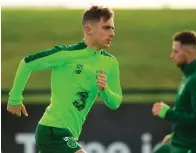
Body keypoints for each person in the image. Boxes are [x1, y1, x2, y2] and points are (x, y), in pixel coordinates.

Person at [7, 5, 122, 153]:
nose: (112, 33)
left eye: (112, 28)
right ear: (88, 29)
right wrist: (15, 99)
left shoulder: (111, 63)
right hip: (52, 130)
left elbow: (115, 103)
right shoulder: (65, 54)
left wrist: (104, 90)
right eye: (106, 28)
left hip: (70, 134)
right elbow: (27, 62)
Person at [152, 30, 196, 153]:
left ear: (188, 52)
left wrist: (168, 113)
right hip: (180, 143)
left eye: (175, 51)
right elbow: (188, 112)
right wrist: (176, 135)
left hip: (191, 148)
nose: (171, 55)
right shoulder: (189, 77)